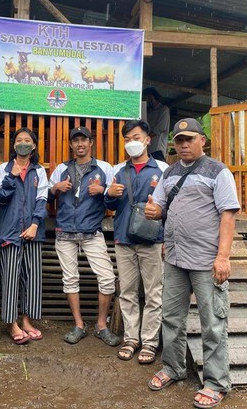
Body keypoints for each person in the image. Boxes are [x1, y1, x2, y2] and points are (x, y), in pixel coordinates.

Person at [145, 118, 240, 409]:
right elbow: (159, 206)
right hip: (174, 257)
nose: (183, 144)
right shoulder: (170, 172)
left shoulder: (218, 171)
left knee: (212, 323)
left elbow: (228, 215)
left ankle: (216, 382)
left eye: (189, 139)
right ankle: (173, 368)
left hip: (206, 260)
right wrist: (153, 211)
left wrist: (222, 257)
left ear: (202, 140)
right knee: (171, 317)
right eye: (178, 140)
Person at [104, 120, 169, 364]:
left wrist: (166, 237)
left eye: (136, 137)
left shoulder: (162, 169)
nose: (132, 142)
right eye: (128, 139)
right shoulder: (118, 170)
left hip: (152, 240)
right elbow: (108, 206)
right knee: (128, 292)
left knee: (154, 293)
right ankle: (131, 339)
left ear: (147, 139)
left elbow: (171, 206)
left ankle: (150, 342)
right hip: (123, 239)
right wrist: (109, 196)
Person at [49, 126, 119, 347]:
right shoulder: (61, 168)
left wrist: (104, 191)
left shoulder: (104, 168)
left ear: (91, 143)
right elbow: (45, 199)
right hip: (65, 232)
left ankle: (101, 326)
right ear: (71, 145)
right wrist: (55, 189)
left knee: (107, 279)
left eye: (84, 140)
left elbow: (115, 200)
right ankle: (78, 324)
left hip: (92, 231)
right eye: (75, 141)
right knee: (70, 279)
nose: (80, 144)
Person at [0, 128, 49, 344]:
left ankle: (26, 321)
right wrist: (11, 177)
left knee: (32, 278)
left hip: (33, 232)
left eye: (27, 140)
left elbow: (42, 199)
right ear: (13, 145)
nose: (23, 143)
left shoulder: (39, 171)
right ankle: (11, 323)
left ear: (34, 146)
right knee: (10, 278)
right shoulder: (3, 169)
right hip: (9, 231)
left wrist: (35, 224)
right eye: (19, 140)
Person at [142, 87, 170, 162]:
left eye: (146, 99)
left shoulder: (164, 109)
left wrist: (144, 140)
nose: (145, 102)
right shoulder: (149, 112)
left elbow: (159, 129)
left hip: (158, 151)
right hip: (148, 150)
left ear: (150, 97)